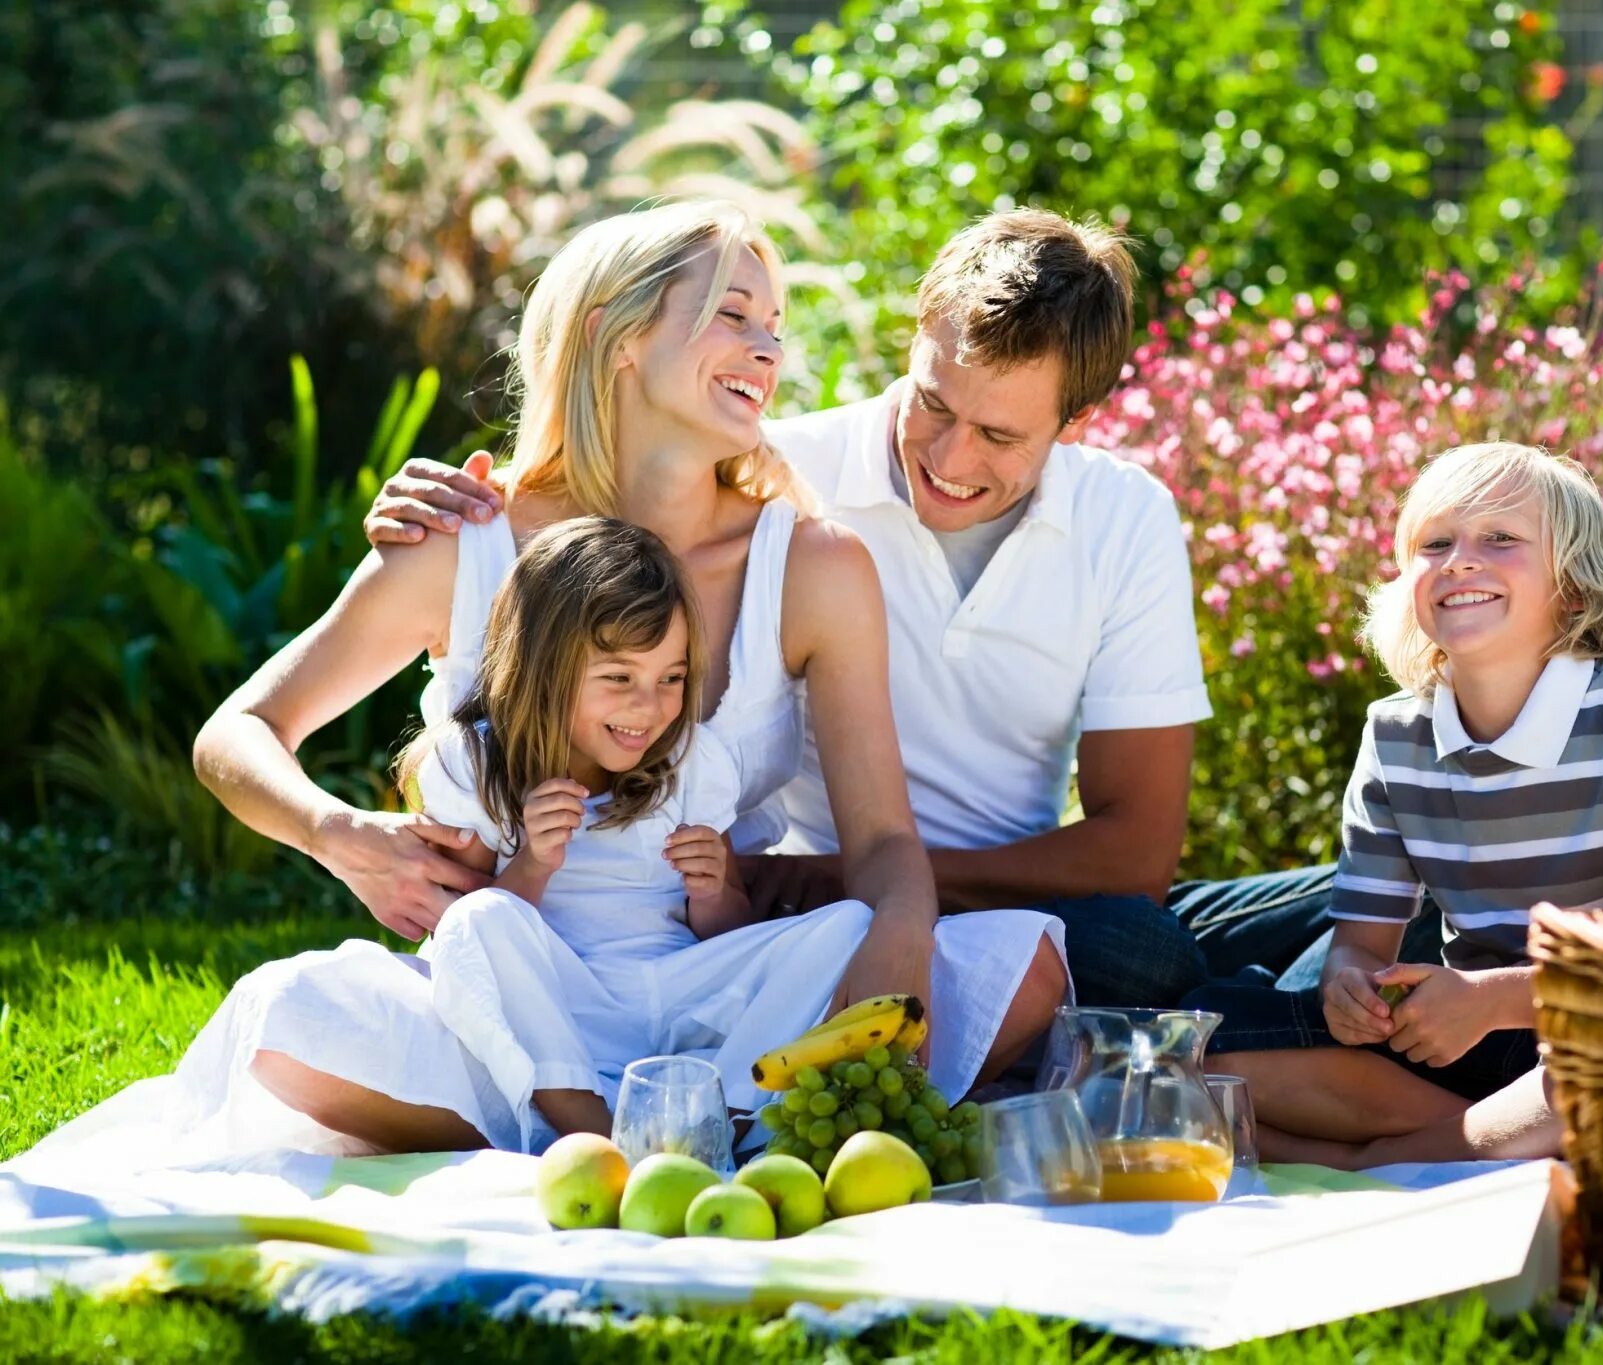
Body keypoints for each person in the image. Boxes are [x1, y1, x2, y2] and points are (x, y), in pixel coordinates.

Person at [159, 200, 1064, 1157]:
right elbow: (238, 733)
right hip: (511, 991)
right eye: (732, 314)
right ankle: (699, 1127)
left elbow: (882, 836)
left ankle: (623, 1128)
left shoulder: (810, 565)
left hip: (716, 988)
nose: (767, 351)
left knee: (1023, 965)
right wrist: (340, 836)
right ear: (616, 334)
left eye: (775, 329)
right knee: (291, 1015)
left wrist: (901, 937)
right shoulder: (464, 542)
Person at [369, 210, 1222, 1007]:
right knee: (1164, 962)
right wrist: (442, 524)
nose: (952, 456)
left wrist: (843, 881)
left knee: (1226, 934)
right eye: (933, 403)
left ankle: (1298, 1029)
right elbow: (607, 502)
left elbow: (1137, 854)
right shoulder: (769, 471)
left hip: (905, 888)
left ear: (1075, 423)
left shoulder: (1122, 515)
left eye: (1000, 437)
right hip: (793, 910)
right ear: (914, 343)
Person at [1184, 442, 1603, 1166]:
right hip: (1456, 1040)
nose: (1460, 561)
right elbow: (1360, 943)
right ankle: (1478, 1141)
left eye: (1500, 539)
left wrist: (1490, 1001)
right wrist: (1349, 991)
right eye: (1435, 543)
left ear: (1573, 587)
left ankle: (1381, 1155)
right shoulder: (1396, 734)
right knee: (1200, 1036)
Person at [387, 515, 955, 1155]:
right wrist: (534, 864)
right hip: (564, 1004)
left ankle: (733, 1116)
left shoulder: (689, 762)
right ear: (544, 667)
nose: (648, 707)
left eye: (672, 679)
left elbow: (728, 933)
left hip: (677, 990)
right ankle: (591, 1128)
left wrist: (713, 892)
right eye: (619, 679)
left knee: (847, 927)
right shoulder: (474, 763)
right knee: (476, 920)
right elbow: (473, 946)